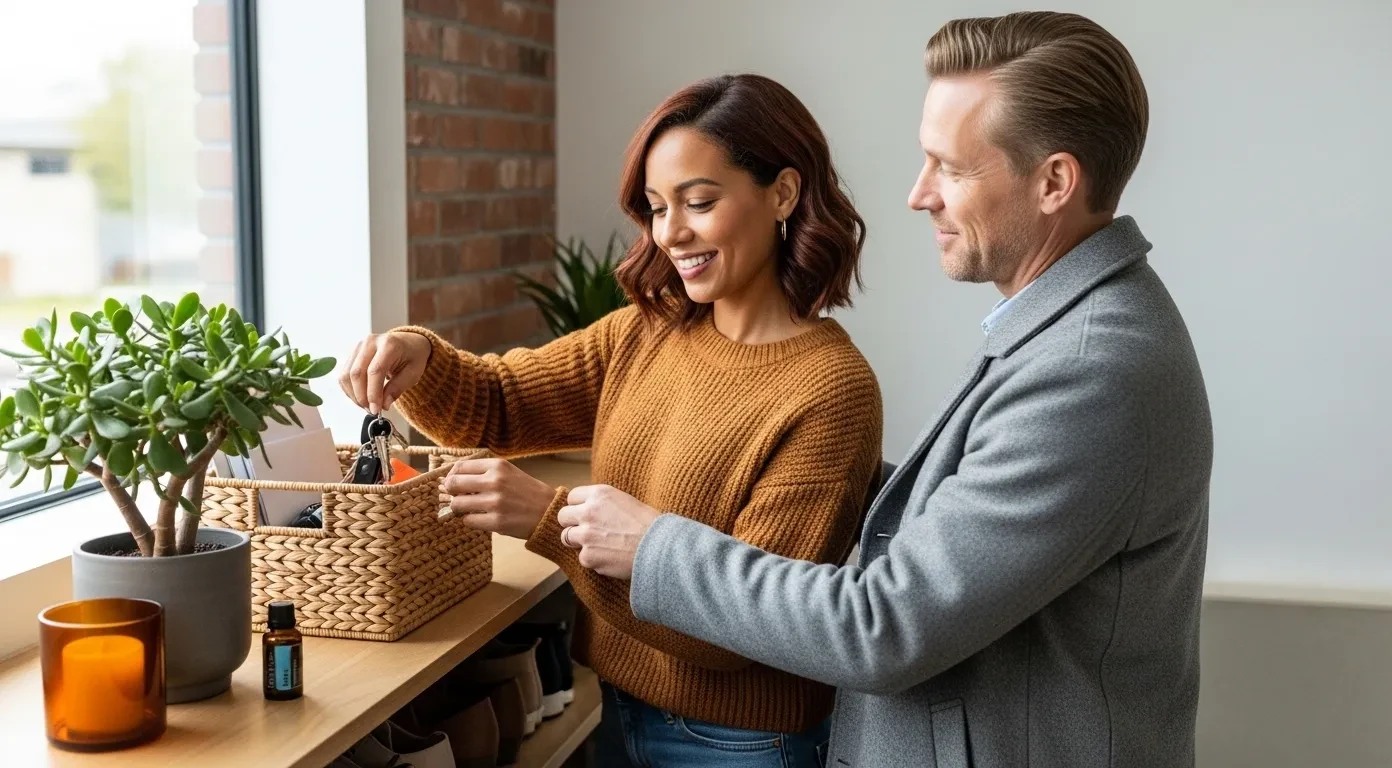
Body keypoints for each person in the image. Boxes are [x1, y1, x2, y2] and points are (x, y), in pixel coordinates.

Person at [554, 12, 1214, 768]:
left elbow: (883, 628)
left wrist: (653, 548)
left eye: (950, 167)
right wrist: (822, 470)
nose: (918, 194)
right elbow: (983, 525)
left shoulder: (1090, 372)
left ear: (1054, 182)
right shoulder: (1066, 330)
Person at [339, 74, 883, 767]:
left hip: (741, 743)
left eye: (700, 202)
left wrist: (549, 520)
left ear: (783, 193)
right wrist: (419, 355)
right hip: (620, 705)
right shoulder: (648, 332)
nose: (671, 232)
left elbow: (749, 624)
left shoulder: (832, 392)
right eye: (656, 208)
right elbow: (500, 403)